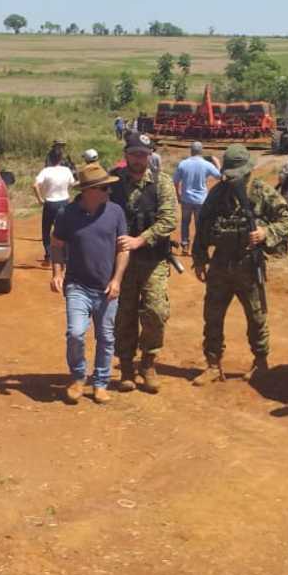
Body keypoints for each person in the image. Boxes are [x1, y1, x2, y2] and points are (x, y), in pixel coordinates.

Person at [191, 144, 288, 386]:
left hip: (248, 265)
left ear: (248, 171)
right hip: (221, 264)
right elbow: (203, 224)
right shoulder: (218, 193)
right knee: (212, 316)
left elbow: (286, 219)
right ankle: (213, 364)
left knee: (256, 317)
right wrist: (200, 257)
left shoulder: (261, 192)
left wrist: (266, 232)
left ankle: (261, 362)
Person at [50, 162, 129, 405]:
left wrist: (116, 280)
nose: (108, 192)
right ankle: (77, 377)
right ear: (88, 191)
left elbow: (123, 249)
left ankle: (101, 383)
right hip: (77, 286)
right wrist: (57, 272)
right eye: (103, 188)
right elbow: (56, 243)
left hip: (106, 288)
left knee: (106, 337)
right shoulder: (67, 214)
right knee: (75, 333)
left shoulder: (116, 212)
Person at [109, 133, 177, 393]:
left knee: (156, 312)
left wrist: (140, 240)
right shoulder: (113, 181)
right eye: (134, 153)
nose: (139, 158)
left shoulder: (162, 183)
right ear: (126, 154)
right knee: (123, 315)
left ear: (150, 156)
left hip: (152, 260)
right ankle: (126, 366)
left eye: (143, 154)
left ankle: (148, 362)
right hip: (120, 263)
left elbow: (169, 219)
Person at [173, 141, 220, 255]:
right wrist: (217, 162)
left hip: (186, 199)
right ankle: (198, 247)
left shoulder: (183, 164)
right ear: (201, 151)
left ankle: (185, 245)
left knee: (185, 223)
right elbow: (219, 176)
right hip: (201, 200)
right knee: (200, 224)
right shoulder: (206, 164)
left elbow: (175, 181)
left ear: (191, 151)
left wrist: (178, 194)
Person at [34, 155, 75, 267]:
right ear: (61, 160)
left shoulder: (46, 171)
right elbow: (73, 184)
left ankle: (48, 256)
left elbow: (35, 185)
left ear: (49, 160)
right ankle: (65, 257)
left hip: (50, 203)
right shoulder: (66, 170)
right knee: (64, 229)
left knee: (46, 230)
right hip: (64, 202)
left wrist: (40, 199)